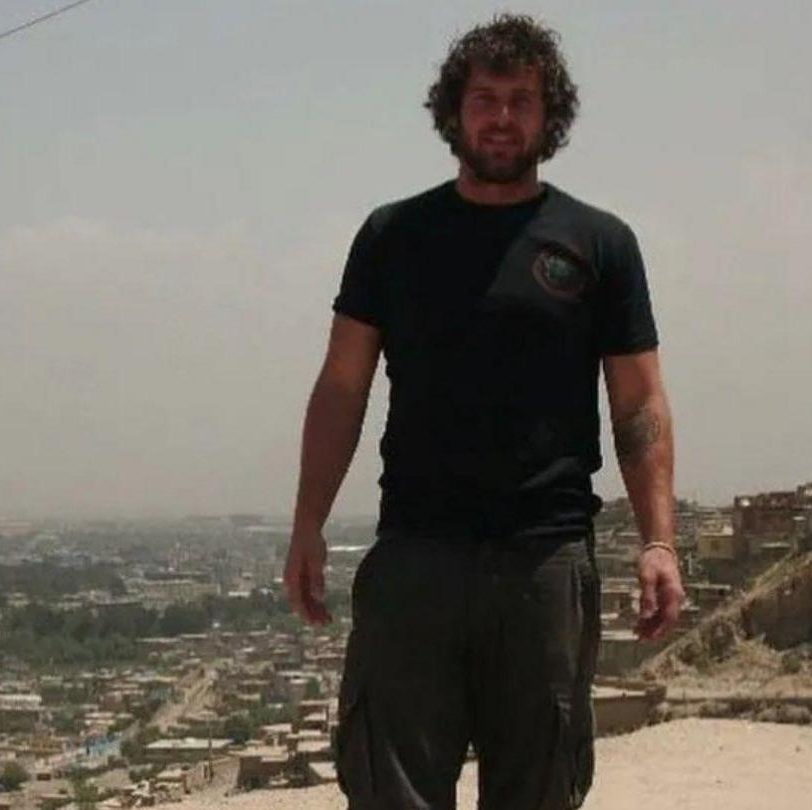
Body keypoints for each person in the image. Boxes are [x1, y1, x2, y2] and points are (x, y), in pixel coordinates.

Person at [284, 13, 685, 810]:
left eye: (523, 99)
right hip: (414, 561)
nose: (503, 117)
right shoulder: (393, 236)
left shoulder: (599, 243)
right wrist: (307, 524)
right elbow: (342, 388)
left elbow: (637, 401)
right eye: (485, 98)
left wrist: (659, 541)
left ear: (550, 115)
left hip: (543, 564)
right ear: (454, 112)